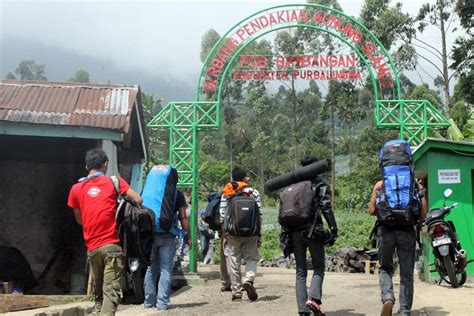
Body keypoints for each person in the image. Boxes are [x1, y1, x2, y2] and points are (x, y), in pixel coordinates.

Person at [67, 148, 142, 316]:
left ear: (87, 166)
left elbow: (80, 220)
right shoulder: (115, 182)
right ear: (106, 164)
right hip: (112, 246)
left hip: (92, 248)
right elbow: (138, 199)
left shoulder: (76, 189)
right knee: (110, 292)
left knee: (99, 293)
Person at [281, 155, 338, 316]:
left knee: (300, 271)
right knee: (319, 267)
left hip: (294, 232)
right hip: (313, 230)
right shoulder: (319, 183)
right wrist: (333, 228)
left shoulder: (294, 185)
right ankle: (313, 299)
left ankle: (303, 309)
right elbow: (326, 207)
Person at [369, 176, 427, 315]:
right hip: (407, 231)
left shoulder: (380, 184)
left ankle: (388, 298)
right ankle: (405, 310)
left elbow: (371, 210)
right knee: (406, 273)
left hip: (385, 230)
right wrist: (421, 192)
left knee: (385, 268)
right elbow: (423, 214)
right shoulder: (414, 185)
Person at [143, 189, 191, 310]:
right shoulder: (177, 193)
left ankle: (148, 302)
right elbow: (183, 216)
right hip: (168, 235)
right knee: (166, 269)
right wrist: (188, 236)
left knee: (151, 268)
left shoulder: (150, 190)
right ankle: (162, 303)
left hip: (150, 234)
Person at [220, 167, 262, 301]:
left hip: (233, 232)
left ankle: (236, 292)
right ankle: (249, 279)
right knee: (251, 258)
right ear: (244, 178)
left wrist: (225, 234)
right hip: (251, 233)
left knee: (234, 260)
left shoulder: (227, 192)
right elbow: (259, 214)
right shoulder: (253, 192)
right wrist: (259, 234)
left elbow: (222, 215)